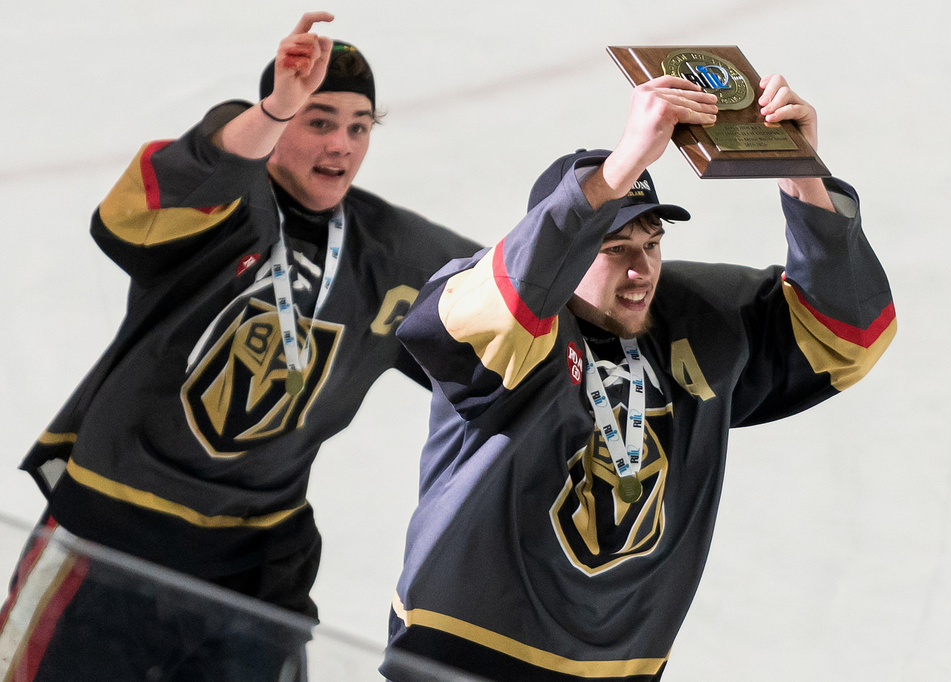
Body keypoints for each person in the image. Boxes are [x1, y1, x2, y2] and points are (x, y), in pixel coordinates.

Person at [0, 11, 479, 682]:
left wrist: (613, 194)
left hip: (252, 573)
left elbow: (522, 303)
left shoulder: (393, 252)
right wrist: (274, 107)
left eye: (359, 126)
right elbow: (176, 179)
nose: (341, 144)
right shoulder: (225, 203)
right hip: (110, 538)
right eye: (318, 121)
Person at [383, 73, 896, 681]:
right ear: (566, 248)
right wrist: (625, 161)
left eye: (652, 242)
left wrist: (801, 175)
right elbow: (487, 304)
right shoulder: (509, 322)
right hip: (464, 654)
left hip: (621, 669)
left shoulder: (696, 318)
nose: (640, 269)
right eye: (613, 247)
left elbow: (852, 334)